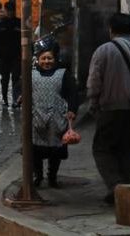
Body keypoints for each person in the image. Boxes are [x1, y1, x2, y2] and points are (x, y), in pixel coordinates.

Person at [87, 13, 130, 204]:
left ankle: (116, 186)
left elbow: (94, 82)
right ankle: (125, 187)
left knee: (102, 148)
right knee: (127, 147)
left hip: (110, 107)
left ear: (111, 28)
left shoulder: (104, 51)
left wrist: (93, 104)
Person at [30, 43, 78, 187]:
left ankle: (52, 176)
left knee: (55, 151)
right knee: (36, 151)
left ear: (55, 59)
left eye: (49, 58)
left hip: (57, 120)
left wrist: (72, 109)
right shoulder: (31, 74)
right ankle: (38, 176)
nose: (46, 61)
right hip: (36, 119)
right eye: (43, 58)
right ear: (38, 59)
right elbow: (21, 89)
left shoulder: (63, 74)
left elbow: (72, 94)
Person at [0, 2, 21, 108]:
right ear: (5, 11)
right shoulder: (0, 23)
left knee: (16, 78)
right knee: (5, 78)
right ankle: (4, 98)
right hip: (3, 56)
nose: (10, 13)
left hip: (16, 55)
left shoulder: (19, 23)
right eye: (8, 11)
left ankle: (15, 99)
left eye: (12, 10)